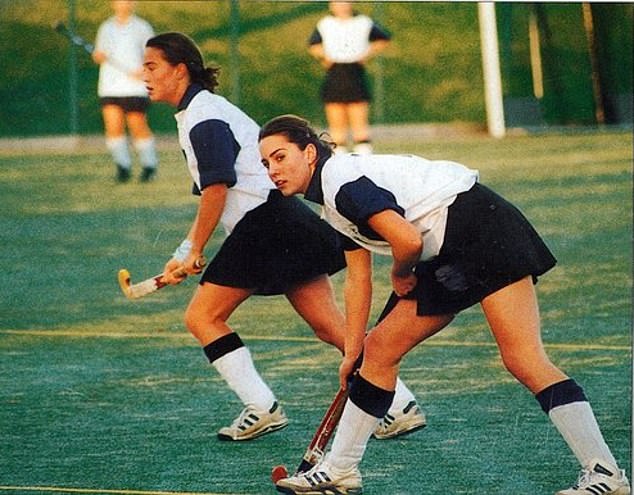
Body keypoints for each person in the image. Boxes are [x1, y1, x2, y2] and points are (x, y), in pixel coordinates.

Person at [258, 114, 630, 495]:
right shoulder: (331, 204)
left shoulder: (341, 183)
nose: (273, 170)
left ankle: (605, 474)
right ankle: (340, 469)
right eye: (266, 163)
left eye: (280, 157)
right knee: (380, 349)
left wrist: (402, 273)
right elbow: (358, 278)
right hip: (460, 235)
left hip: (477, 229)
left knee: (523, 359)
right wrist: (353, 349)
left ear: (308, 153)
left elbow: (407, 241)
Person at [141, 32, 425, 442]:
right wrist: (198, 249)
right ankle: (399, 405)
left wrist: (191, 248)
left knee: (202, 317)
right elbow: (221, 192)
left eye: (152, 67)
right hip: (279, 220)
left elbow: (218, 188)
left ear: (180, 71)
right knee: (331, 327)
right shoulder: (199, 113)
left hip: (266, 225)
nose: (144, 75)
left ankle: (261, 406)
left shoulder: (204, 117)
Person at [308, 1, 390, 155]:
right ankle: (339, 161)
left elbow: (383, 39)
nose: (340, 5)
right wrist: (325, 57)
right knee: (337, 124)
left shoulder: (363, 22)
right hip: (335, 73)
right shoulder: (325, 24)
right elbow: (313, 45)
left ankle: (365, 160)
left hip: (355, 72)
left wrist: (366, 54)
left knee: (359, 122)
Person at [93, 0, 158, 183]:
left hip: (134, 87)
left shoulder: (142, 27)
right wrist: (98, 56)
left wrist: (143, 70)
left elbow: (153, 54)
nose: (124, 4)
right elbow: (99, 54)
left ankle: (149, 166)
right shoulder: (105, 27)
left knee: (137, 125)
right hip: (110, 85)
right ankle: (123, 167)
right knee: (113, 127)